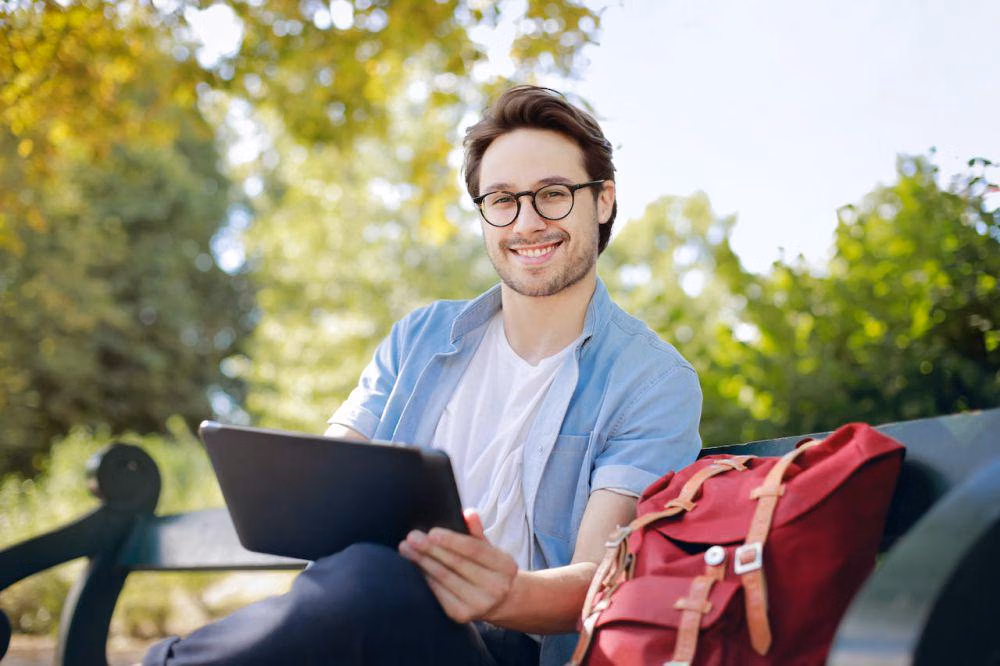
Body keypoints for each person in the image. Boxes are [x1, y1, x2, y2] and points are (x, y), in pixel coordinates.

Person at [144, 85, 702, 666]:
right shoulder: (420, 338)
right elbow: (332, 474)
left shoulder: (652, 381)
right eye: (503, 200)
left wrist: (506, 592)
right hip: (360, 619)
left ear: (603, 200)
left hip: (503, 649)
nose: (527, 223)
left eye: (554, 195)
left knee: (371, 580)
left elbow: (599, 580)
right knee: (367, 576)